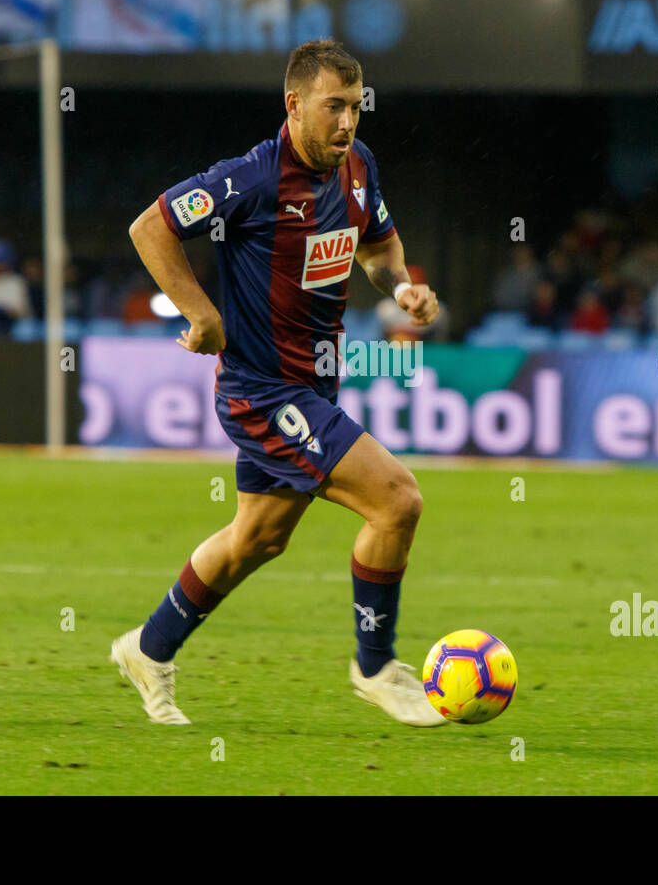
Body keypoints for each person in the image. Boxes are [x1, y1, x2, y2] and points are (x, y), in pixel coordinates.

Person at [118, 38, 446, 727]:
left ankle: (148, 649)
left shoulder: (357, 167)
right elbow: (151, 227)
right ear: (294, 104)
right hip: (262, 392)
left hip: (316, 385)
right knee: (398, 501)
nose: (348, 123)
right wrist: (202, 315)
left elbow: (378, 245)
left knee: (258, 539)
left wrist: (404, 288)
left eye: (356, 108)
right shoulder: (251, 180)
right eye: (334, 107)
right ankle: (376, 666)